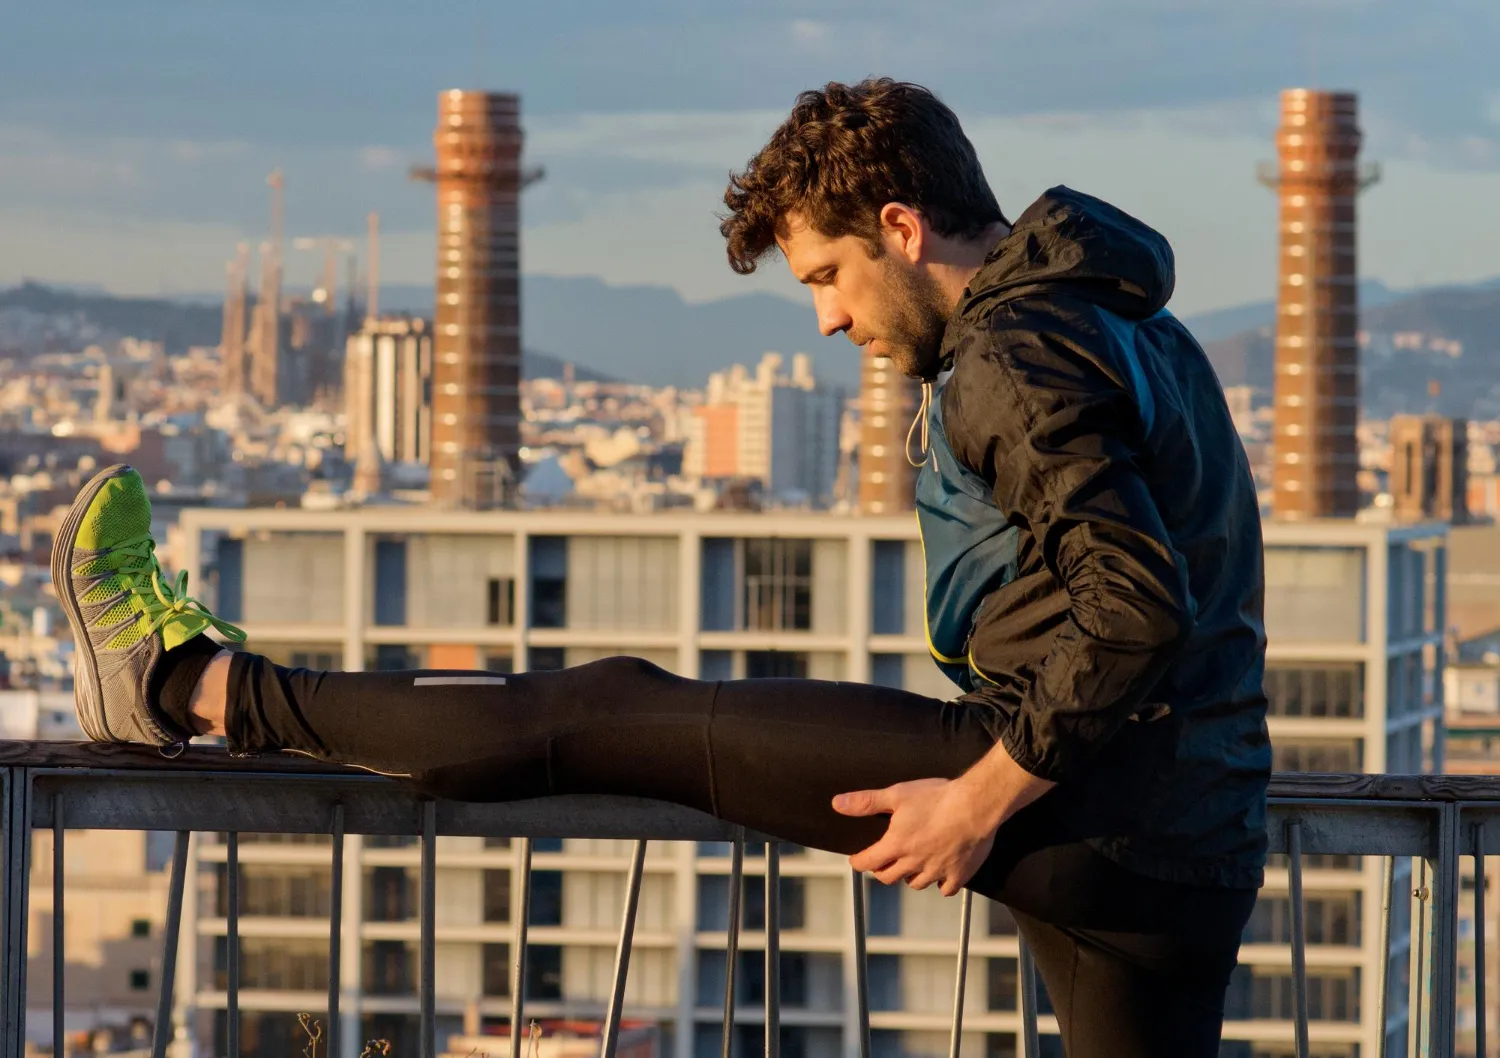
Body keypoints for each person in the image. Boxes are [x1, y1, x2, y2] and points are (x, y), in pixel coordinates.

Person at [53, 78, 1269, 1057]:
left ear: (901, 226)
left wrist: (978, 800)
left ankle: (182, 679)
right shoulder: (1128, 317)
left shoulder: (1013, 349)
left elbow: (1135, 604)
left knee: (604, 709)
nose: (829, 321)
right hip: (1192, 838)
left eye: (828, 276)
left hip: (1081, 799)